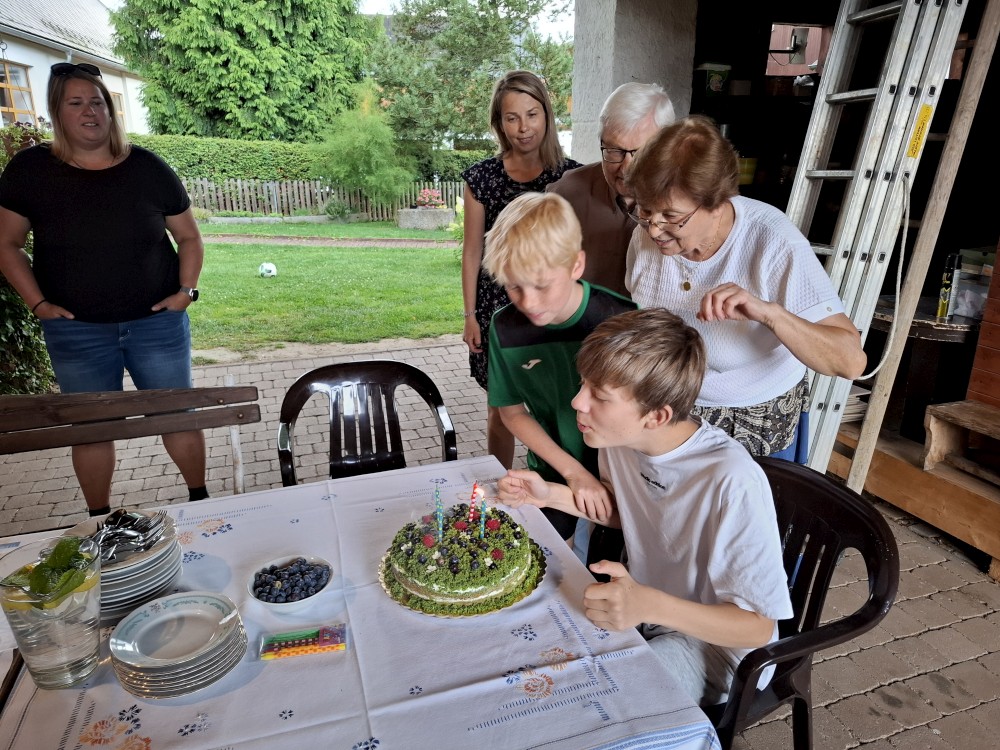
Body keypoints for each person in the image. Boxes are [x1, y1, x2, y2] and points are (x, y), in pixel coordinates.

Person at [497, 308, 793, 708]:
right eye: (584, 385)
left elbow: (757, 628)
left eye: (600, 396)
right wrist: (549, 495)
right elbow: (630, 513)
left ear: (657, 416)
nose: (577, 401)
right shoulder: (620, 441)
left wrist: (648, 604)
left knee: (595, 701)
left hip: (717, 648)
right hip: (645, 613)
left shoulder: (732, 481)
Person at [0, 62, 209, 517]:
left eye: (97, 102)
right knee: (92, 429)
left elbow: (190, 238)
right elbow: (7, 244)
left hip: (157, 325)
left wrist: (186, 293)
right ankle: (100, 520)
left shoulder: (148, 168)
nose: (89, 112)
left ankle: (201, 502)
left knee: (176, 416)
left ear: (110, 111)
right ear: (57, 112)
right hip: (76, 332)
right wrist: (37, 304)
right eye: (75, 103)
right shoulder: (30, 170)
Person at [624, 115, 866, 460]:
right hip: (672, 408)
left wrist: (770, 315)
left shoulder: (772, 241)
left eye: (672, 217)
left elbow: (850, 361)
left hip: (753, 419)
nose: (653, 230)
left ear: (717, 204)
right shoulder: (645, 237)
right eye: (645, 211)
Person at [482, 191, 636, 554]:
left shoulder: (622, 321)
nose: (528, 302)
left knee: (608, 563)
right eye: (513, 286)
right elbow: (512, 413)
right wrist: (573, 472)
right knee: (554, 562)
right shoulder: (504, 328)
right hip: (551, 467)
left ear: (576, 265)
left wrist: (594, 477)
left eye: (541, 285)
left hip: (620, 471)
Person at [461, 70, 581, 469]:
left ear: (546, 115)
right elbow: (472, 251)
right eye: (511, 118)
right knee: (501, 411)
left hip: (554, 307)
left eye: (531, 114)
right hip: (497, 308)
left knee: (559, 405)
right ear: (499, 123)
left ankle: (558, 480)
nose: (523, 127)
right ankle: (500, 483)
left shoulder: (572, 177)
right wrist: (470, 315)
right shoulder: (481, 178)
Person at [547, 82, 675, 297]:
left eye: (640, 152)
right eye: (615, 150)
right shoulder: (564, 196)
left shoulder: (691, 202)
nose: (626, 168)